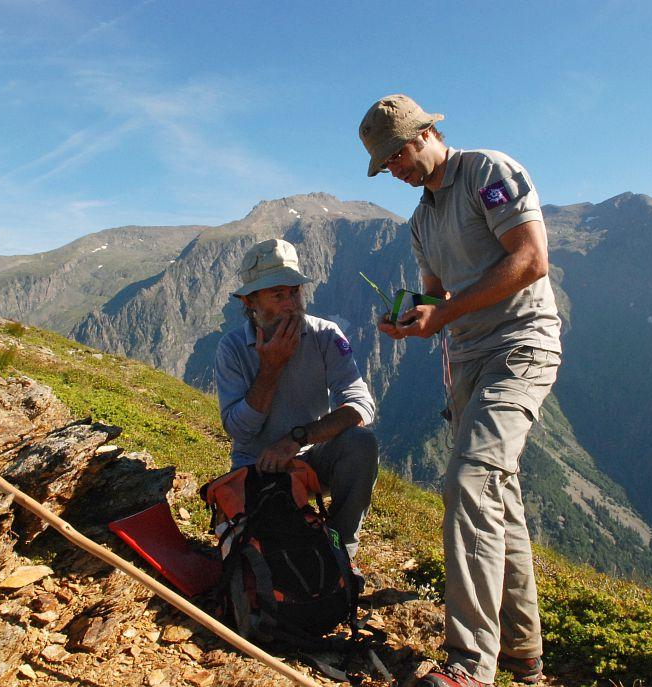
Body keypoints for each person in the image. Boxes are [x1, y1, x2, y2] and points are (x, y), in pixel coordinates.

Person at [359, 94, 562, 686]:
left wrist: (441, 318)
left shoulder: (487, 173)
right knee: (499, 497)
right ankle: (523, 655)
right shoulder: (421, 220)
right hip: (468, 359)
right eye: (382, 165)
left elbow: (530, 259)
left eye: (394, 157)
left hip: (521, 345)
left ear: (423, 135)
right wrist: (409, 316)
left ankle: (471, 666)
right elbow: (435, 296)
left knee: (469, 480)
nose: (391, 171)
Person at [214, 237, 379, 562]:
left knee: (361, 443)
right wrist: (271, 369)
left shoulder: (325, 335)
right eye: (278, 294)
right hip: (257, 466)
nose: (291, 302)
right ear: (250, 301)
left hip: (312, 459)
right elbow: (239, 431)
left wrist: (297, 438)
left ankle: (342, 552)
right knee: (276, 553)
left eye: (294, 291)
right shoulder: (232, 348)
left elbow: (361, 404)